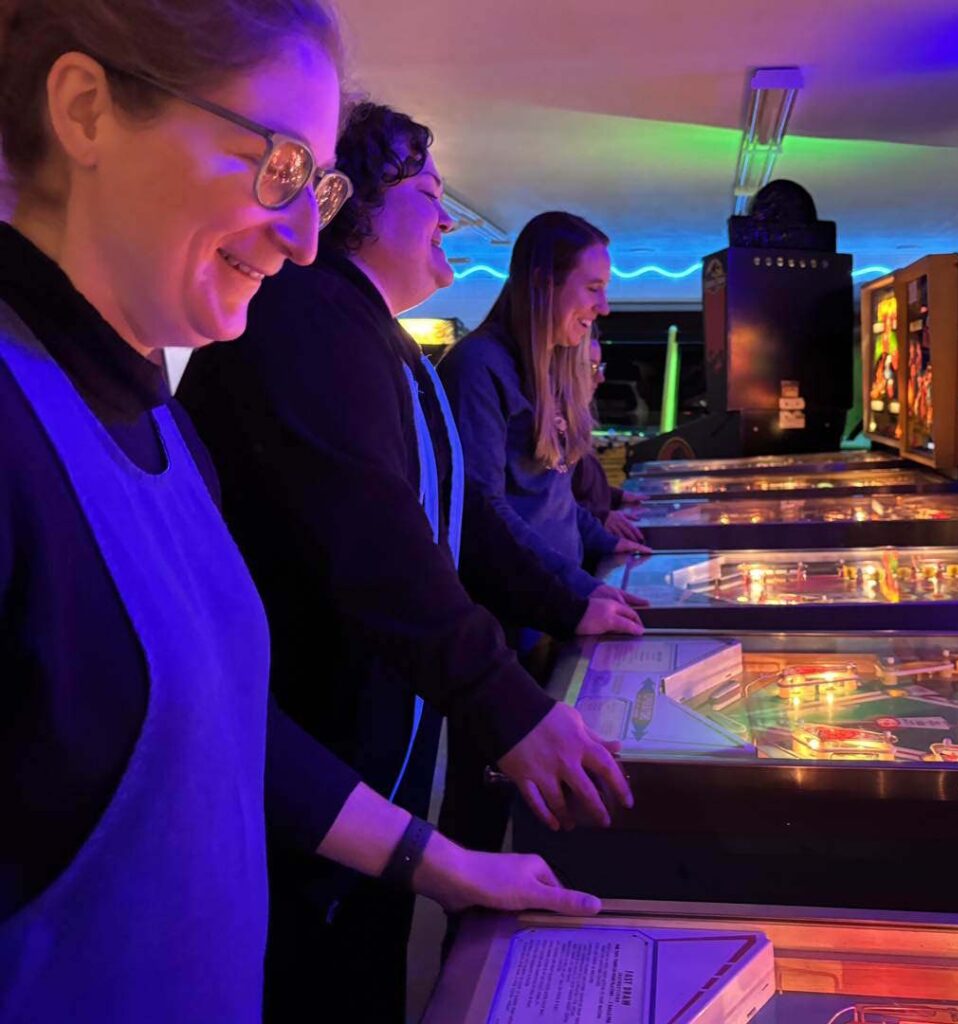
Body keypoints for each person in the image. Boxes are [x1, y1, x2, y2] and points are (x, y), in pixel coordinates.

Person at [0, 6, 599, 1021]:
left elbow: (229, 729)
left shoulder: (165, 427)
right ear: (85, 110)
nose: (308, 235)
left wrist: (439, 863)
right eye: (276, 165)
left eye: (318, 184)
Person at [176, 102, 641, 1021]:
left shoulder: (373, 334)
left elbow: (456, 520)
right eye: (430, 193)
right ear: (353, 209)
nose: (447, 217)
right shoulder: (308, 318)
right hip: (312, 765)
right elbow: (376, 542)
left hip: (352, 774)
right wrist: (508, 702)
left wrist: (571, 600)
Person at [436, 213, 653, 856]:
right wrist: (575, 594)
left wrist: (605, 545)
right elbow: (481, 512)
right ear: (543, 284)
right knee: (487, 805)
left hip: (552, 619)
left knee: (535, 810)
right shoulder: (478, 367)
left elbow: (552, 498)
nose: (604, 306)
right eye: (591, 287)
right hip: (506, 624)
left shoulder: (544, 369)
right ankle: (468, 932)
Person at [572, 332, 647, 543]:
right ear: (566, 368)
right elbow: (553, 501)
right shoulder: (553, 423)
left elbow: (580, 484)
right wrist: (601, 516)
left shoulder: (573, 421)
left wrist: (617, 496)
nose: (601, 378)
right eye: (592, 367)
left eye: (600, 367)